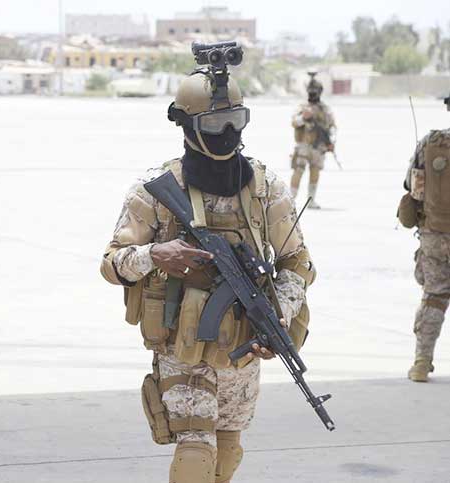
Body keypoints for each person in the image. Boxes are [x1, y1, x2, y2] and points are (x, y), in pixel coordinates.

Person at [100, 62, 316, 482]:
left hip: (243, 347)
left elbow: (297, 263)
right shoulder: (156, 190)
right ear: (186, 125)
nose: (227, 133)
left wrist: (279, 316)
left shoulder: (266, 188)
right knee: (196, 454)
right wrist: (155, 254)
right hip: (181, 349)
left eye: (236, 120)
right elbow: (112, 263)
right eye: (215, 123)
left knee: (227, 453)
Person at [399, 93, 450, 383]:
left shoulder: (431, 142)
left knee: (434, 296)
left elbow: (413, 186)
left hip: (435, 235)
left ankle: (421, 362)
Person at [289, 72, 336, 209]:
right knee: (298, 170)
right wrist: (304, 117)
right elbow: (294, 122)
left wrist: (330, 143)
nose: (313, 94)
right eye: (311, 91)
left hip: (318, 146)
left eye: (315, 91)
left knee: (315, 171)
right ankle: (290, 200)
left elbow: (330, 125)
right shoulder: (302, 107)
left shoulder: (324, 109)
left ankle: (311, 200)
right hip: (303, 145)